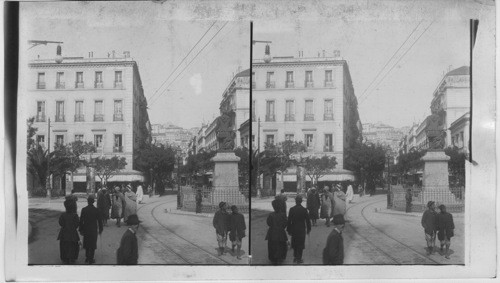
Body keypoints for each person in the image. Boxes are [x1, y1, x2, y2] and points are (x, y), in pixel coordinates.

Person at [79, 195, 103, 264]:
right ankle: (91, 258)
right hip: (93, 229)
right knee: (92, 244)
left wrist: (81, 229)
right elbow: (99, 221)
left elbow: (81, 220)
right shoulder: (96, 210)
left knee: (86, 243)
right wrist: (101, 229)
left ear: (87, 202)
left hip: (86, 229)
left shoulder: (84, 209)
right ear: (93, 202)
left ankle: (87, 257)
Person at [287, 195, 311, 264]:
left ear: (295, 201)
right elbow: (307, 220)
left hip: (294, 229)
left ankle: (295, 257)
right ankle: (299, 258)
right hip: (301, 229)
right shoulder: (304, 210)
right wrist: (308, 229)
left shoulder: (292, 209)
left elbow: (289, 221)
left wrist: (289, 230)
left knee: (294, 243)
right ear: (301, 201)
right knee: (300, 243)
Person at [58, 199, 80, 264]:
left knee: (64, 246)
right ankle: (72, 258)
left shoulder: (63, 215)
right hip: (73, 233)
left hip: (64, 233)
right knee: (73, 246)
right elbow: (77, 224)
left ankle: (65, 258)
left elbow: (60, 223)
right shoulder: (75, 215)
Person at [266, 199, 288, 264]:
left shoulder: (271, 215)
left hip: (272, 232)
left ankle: (273, 258)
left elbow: (268, 223)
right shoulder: (283, 215)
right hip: (281, 232)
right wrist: (281, 227)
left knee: (272, 246)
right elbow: (285, 224)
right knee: (281, 245)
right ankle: (280, 257)